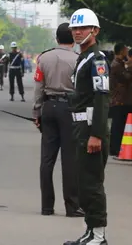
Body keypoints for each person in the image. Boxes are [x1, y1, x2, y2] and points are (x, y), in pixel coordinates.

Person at [64, 8, 110, 245]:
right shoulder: (84, 58)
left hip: (91, 128)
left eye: (83, 28)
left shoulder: (98, 59)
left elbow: (102, 97)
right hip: (80, 127)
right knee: (83, 183)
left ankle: (99, 236)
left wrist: (97, 135)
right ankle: (90, 232)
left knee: (92, 184)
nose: (78, 32)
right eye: (75, 28)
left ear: (95, 30)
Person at [33, 22, 80, 218]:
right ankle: (71, 206)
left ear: (56, 38)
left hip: (49, 107)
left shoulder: (44, 58)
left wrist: (37, 113)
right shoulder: (79, 60)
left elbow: (38, 88)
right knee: (69, 159)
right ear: (73, 38)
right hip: (69, 109)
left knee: (47, 159)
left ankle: (46, 206)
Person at [107, 44, 132, 158]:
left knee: (121, 124)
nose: (127, 52)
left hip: (123, 98)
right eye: (125, 50)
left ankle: (119, 146)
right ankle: (115, 148)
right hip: (119, 99)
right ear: (121, 51)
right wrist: (129, 67)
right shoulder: (116, 65)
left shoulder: (120, 63)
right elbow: (127, 78)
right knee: (117, 125)